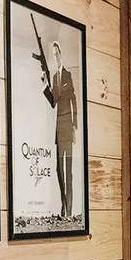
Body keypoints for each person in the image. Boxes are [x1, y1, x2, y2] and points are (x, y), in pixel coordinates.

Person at [43, 38, 79, 217]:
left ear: (61, 55)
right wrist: (46, 86)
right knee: (59, 169)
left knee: (68, 170)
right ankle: (64, 207)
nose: (56, 57)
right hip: (58, 130)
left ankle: (69, 210)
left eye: (58, 54)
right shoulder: (55, 77)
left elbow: (73, 99)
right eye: (54, 55)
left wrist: (75, 126)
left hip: (67, 128)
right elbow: (53, 102)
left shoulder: (67, 75)